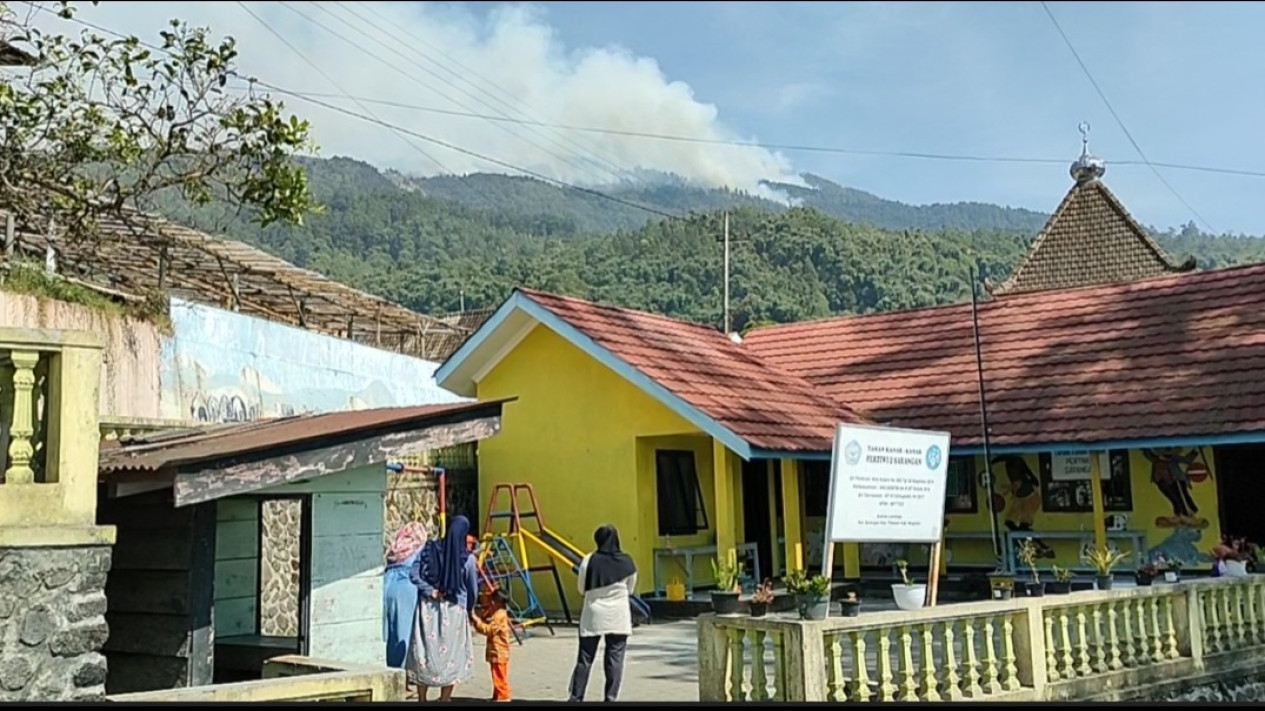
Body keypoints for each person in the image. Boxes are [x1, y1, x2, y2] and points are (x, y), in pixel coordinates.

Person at [407, 515, 479, 702]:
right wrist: (470, 609)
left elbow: (413, 574)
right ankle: (445, 698)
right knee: (452, 655)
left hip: (427, 610)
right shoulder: (468, 559)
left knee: (425, 653)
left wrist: (430, 591)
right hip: (455, 612)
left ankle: (421, 698)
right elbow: (472, 588)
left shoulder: (429, 549)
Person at [568, 524, 637, 703]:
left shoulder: (589, 560)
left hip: (593, 614)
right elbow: (630, 589)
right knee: (615, 658)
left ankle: (576, 697)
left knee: (585, 658)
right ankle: (610, 697)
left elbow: (581, 589)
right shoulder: (627, 561)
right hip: (618, 615)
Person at [384, 522, 429, 669]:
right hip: (406, 588)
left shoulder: (395, 548)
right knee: (404, 632)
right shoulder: (418, 548)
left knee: (389, 632)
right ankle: (402, 674)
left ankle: (389, 668)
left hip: (387, 585)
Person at [470, 587, 513, 703]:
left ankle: (503, 697)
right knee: (498, 675)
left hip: (498, 652)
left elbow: (488, 630)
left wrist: (476, 620)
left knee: (499, 677)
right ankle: (497, 696)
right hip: (498, 652)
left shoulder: (499, 616)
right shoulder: (500, 614)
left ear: (494, 602)